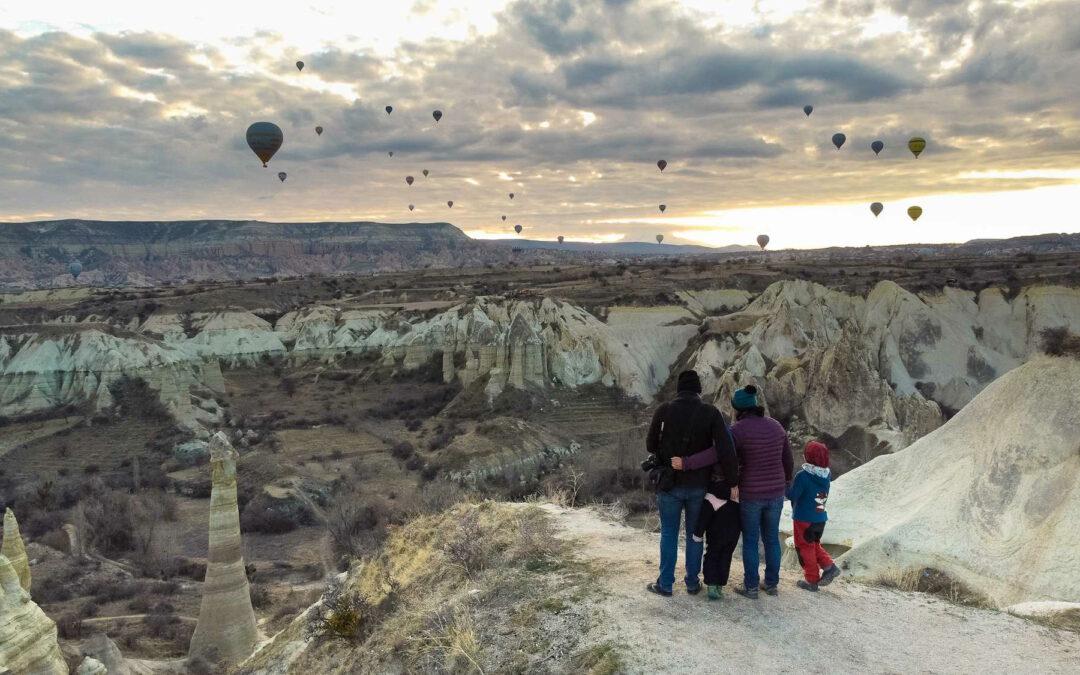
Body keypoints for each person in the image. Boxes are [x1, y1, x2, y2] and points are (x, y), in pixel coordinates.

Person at [645, 370, 738, 597]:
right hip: (698, 485)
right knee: (695, 534)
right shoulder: (711, 412)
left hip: (669, 484)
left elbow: (650, 445)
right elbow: (726, 449)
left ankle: (665, 584)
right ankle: (692, 583)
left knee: (669, 533)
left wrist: (666, 454)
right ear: (699, 390)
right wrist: (733, 482)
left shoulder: (664, 410)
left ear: (679, 388)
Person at [729, 384, 793, 599]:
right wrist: (785, 481)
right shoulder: (776, 426)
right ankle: (772, 584)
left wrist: (731, 482)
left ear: (738, 409)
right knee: (772, 539)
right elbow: (788, 460)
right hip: (775, 493)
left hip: (751, 495)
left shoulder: (737, 430)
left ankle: (752, 587)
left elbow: (727, 459)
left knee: (750, 540)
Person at [787, 441, 841, 592]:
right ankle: (830, 567)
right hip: (820, 518)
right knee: (814, 545)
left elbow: (793, 495)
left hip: (804, 519)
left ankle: (811, 580)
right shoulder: (826, 475)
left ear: (808, 457)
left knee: (805, 548)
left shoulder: (803, 476)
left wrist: (784, 485)